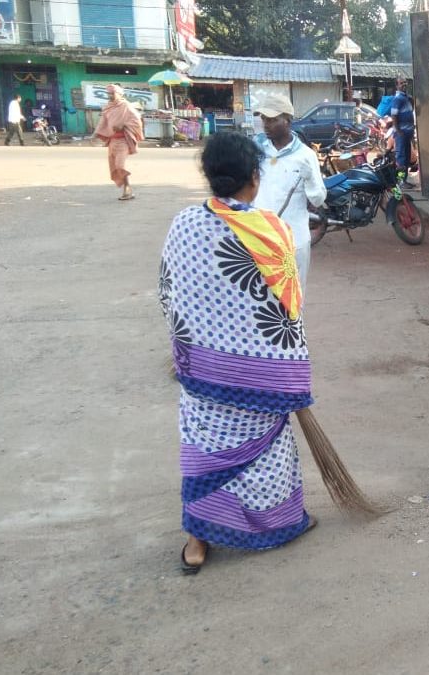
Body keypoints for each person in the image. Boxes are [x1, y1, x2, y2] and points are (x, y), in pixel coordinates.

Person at [159, 132, 318, 574]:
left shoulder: (183, 223)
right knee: (266, 454)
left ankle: (198, 538)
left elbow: (169, 293)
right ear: (254, 176)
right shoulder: (272, 230)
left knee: (203, 450)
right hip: (259, 376)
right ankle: (275, 524)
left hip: (201, 370)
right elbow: (286, 305)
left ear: (209, 176)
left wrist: (191, 345)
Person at [252, 93, 326, 293]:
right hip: (259, 237)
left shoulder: (306, 156)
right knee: (260, 296)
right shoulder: (256, 151)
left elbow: (318, 199)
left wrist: (310, 178)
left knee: (292, 295)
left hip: (294, 240)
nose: (266, 125)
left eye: (273, 120)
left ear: (288, 120)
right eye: (264, 119)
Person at [93, 84, 144, 200]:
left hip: (123, 140)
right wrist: (95, 134)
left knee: (120, 165)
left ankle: (127, 189)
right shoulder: (107, 107)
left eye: (112, 93)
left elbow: (137, 121)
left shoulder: (125, 106)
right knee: (114, 167)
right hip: (112, 141)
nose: (110, 96)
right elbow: (103, 122)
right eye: (109, 94)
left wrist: (123, 126)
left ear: (119, 94)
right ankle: (128, 190)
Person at [389, 76, 415, 174]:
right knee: (401, 158)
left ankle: (404, 180)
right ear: (397, 85)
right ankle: (401, 181)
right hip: (401, 133)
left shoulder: (406, 97)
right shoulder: (397, 99)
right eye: (401, 83)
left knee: (407, 158)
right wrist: (398, 131)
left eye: (405, 82)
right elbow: (394, 115)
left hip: (407, 133)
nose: (404, 84)